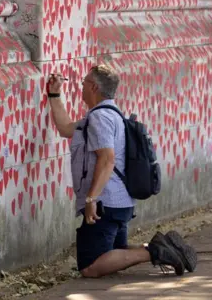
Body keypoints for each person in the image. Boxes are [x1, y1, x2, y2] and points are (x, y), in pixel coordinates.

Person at [47, 65, 197, 278]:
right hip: (119, 202)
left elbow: (107, 160)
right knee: (111, 253)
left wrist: (91, 199)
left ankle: (156, 251)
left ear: (93, 87)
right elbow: (65, 129)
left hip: (105, 203)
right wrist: (54, 94)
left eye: (83, 83)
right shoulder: (107, 115)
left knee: (90, 267)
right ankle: (165, 247)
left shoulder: (100, 118)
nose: (81, 86)